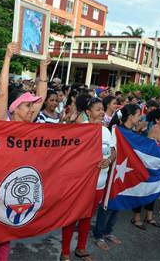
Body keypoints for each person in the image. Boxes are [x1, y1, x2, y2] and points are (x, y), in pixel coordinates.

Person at [0, 42, 50, 261]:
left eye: (33, 106)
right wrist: (7, 57)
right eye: (27, 106)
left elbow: (43, 93)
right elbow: (2, 93)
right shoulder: (4, 121)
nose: (32, 109)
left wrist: (43, 68)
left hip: (17, 186)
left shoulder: (29, 123)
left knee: (6, 234)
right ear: (14, 108)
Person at [61, 97, 116, 261]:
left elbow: (113, 151)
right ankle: (65, 252)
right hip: (82, 185)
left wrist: (109, 160)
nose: (101, 112)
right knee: (72, 217)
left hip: (100, 183)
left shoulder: (105, 131)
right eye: (98, 109)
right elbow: (70, 154)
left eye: (102, 109)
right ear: (87, 112)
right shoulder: (80, 130)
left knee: (87, 217)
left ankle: (81, 248)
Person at [122, 104, 160, 229]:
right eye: (139, 115)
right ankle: (136, 217)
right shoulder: (118, 130)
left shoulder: (135, 132)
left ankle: (147, 216)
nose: (141, 118)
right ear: (131, 116)